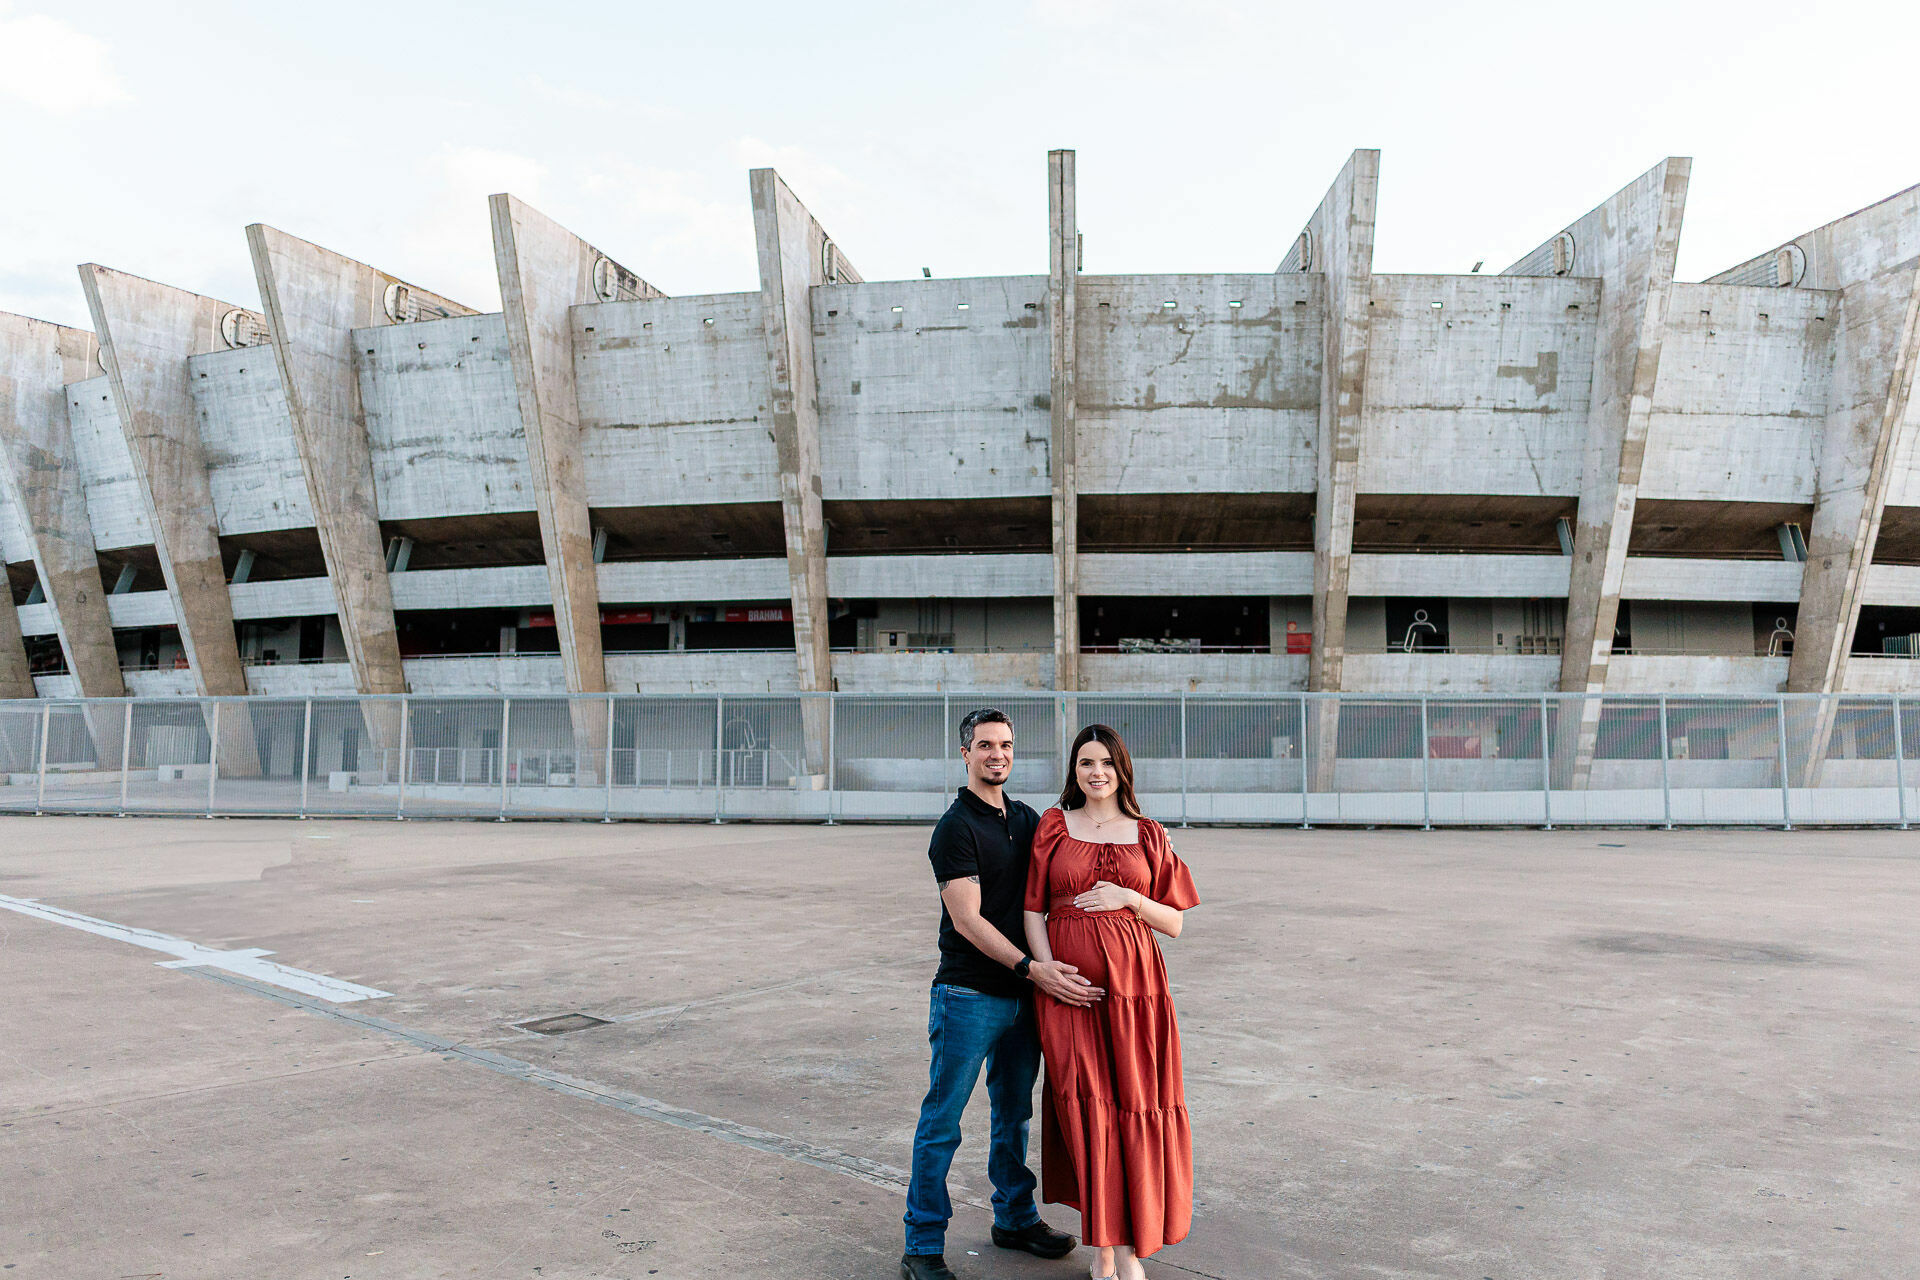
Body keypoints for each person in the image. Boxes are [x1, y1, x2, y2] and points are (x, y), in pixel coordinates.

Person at [902, 708, 1103, 1280]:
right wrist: (1031, 968)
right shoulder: (954, 827)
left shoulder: (1026, 817)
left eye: (1006, 745)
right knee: (943, 1121)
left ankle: (1013, 1219)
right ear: (964, 754)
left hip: (1024, 998)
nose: (997, 755)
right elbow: (967, 920)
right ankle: (920, 1246)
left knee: (1013, 1115)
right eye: (985, 746)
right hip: (969, 994)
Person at [1023, 724, 1200, 1280]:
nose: (1095, 772)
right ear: (1073, 771)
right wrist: (1048, 972)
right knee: (1086, 1107)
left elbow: (1175, 922)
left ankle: (1128, 1244)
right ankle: (1103, 1249)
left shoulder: (1149, 834)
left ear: (1122, 767)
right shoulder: (1054, 825)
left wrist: (1129, 896)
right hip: (1069, 994)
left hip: (1138, 996)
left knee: (1133, 1109)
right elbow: (1032, 909)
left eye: (1105, 762)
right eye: (1084, 763)